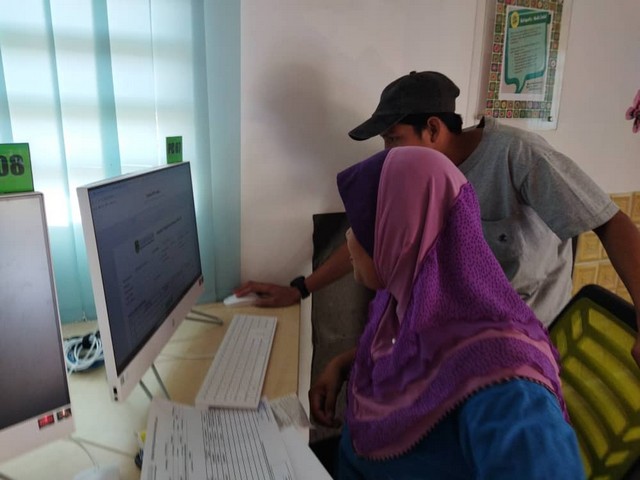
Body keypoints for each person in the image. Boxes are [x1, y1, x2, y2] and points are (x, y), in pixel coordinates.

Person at [235, 70, 640, 365]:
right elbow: (369, 240)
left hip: (521, 347)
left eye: (394, 138)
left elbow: (608, 221)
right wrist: (301, 289)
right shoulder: (415, 176)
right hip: (458, 338)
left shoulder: (518, 155)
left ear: (432, 129)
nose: (388, 152)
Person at [309, 146, 584, 479]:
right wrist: (341, 364)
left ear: (400, 234)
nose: (349, 236)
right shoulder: (405, 304)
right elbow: (422, 352)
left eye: (361, 224)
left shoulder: (506, 385)